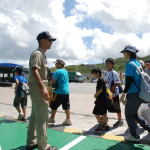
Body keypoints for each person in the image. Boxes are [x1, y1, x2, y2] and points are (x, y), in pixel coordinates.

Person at [26, 31, 57, 150]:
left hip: (37, 89)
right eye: (50, 40)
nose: (51, 43)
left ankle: (31, 142)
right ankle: (43, 146)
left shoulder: (41, 54)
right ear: (42, 40)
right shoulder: (38, 54)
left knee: (34, 117)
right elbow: (35, 70)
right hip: (39, 89)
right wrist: (43, 88)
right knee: (42, 118)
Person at [120, 45, 150, 143]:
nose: (123, 54)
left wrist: (124, 94)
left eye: (124, 52)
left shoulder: (129, 64)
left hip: (133, 93)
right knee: (134, 115)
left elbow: (128, 81)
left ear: (128, 53)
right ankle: (148, 128)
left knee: (129, 115)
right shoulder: (137, 63)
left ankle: (135, 137)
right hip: (140, 94)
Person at [48, 58, 71, 125]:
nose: (55, 65)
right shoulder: (65, 71)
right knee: (66, 106)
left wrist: (48, 83)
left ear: (60, 64)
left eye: (56, 63)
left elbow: (53, 80)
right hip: (66, 91)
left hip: (58, 91)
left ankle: (52, 118)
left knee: (53, 105)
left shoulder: (57, 71)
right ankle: (68, 119)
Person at [105, 58, 123, 128]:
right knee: (108, 106)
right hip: (109, 92)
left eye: (109, 63)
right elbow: (108, 81)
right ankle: (105, 119)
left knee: (117, 107)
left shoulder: (114, 73)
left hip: (114, 93)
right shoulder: (107, 73)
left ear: (112, 65)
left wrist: (113, 87)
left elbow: (118, 83)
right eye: (106, 63)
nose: (107, 64)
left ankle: (120, 120)